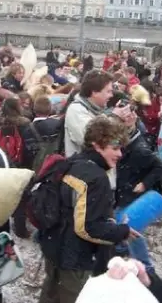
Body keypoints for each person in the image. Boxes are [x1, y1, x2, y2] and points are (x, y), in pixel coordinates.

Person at [39, 116, 139, 303]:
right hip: (75, 258)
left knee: (51, 296)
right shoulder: (96, 177)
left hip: (53, 247)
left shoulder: (72, 163)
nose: (120, 154)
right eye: (115, 148)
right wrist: (121, 231)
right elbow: (86, 227)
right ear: (97, 145)